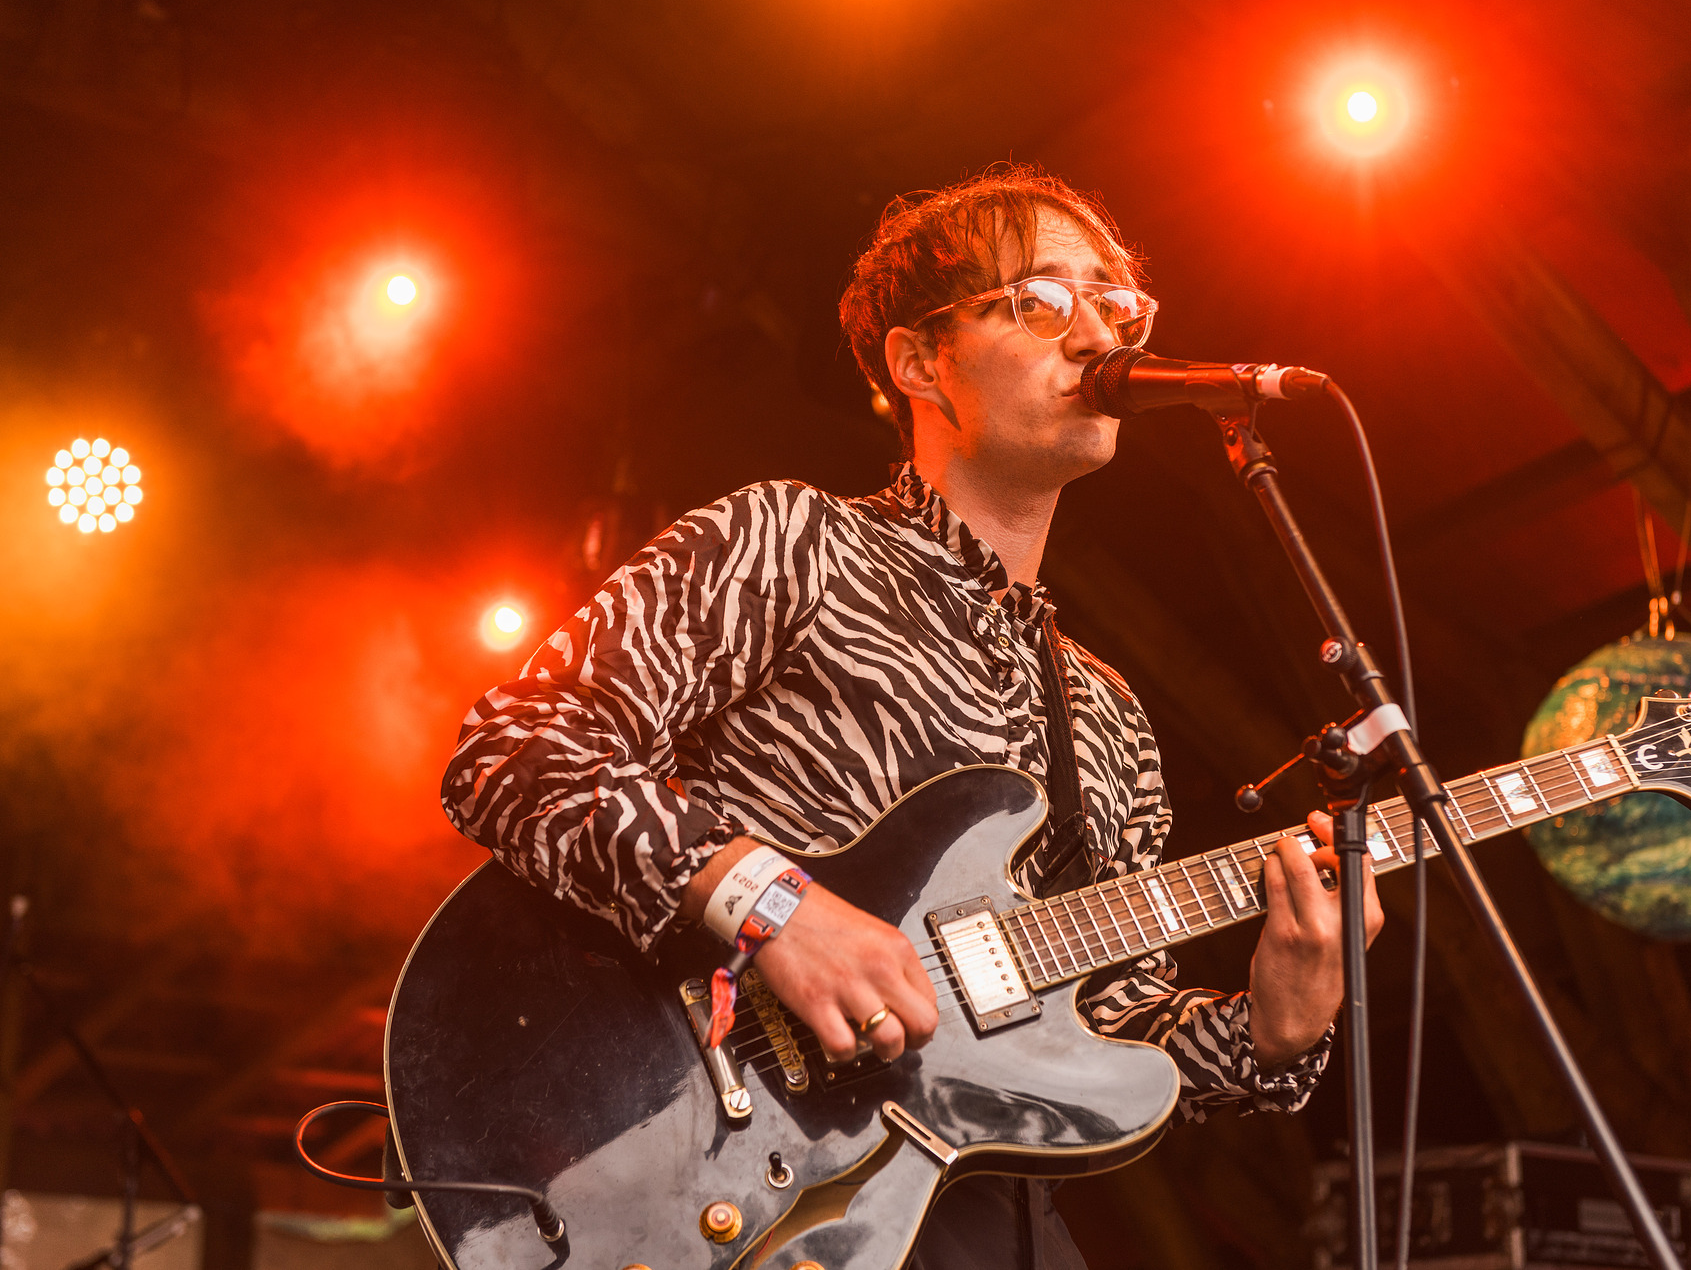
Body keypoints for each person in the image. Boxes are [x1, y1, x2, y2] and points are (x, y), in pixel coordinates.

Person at [440, 165, 1383, 1270]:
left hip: (972, 1203)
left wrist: (1278, 1028)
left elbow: (1111, 1031)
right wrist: (772, 905)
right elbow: (517, 747)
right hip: (717, 1162)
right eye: (1042, 301)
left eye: (1115, 304)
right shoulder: (794, 541)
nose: (1096, 334)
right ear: (920, 360)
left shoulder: (1108, 713)